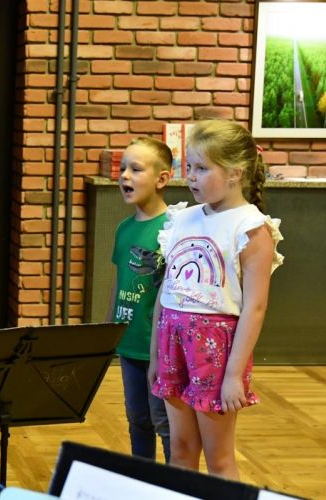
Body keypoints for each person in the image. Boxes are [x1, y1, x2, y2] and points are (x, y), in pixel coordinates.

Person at [148, 120, 284, 479]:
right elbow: (166, 291)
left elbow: (255, 307)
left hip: (215, 352)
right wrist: (155, 355)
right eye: (188, 166)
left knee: (219, 458)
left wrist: (234, 375)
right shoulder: (181, 218)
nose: (191, 176)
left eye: (202, 168)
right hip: (172, 341)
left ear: (235, 173)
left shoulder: (251, 228)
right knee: (180, 449)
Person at [108, 137, 173, 463]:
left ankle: (175, 482)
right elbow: (119, 282)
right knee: (137, 418)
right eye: (122, 168)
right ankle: (142, 478)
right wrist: (108, 332)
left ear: (162, 179)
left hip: (160, 348)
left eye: (135, 169)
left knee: (165, 423)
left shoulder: (173, 229)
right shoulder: (123, 228)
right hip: (129, 344)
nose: (124, 176)